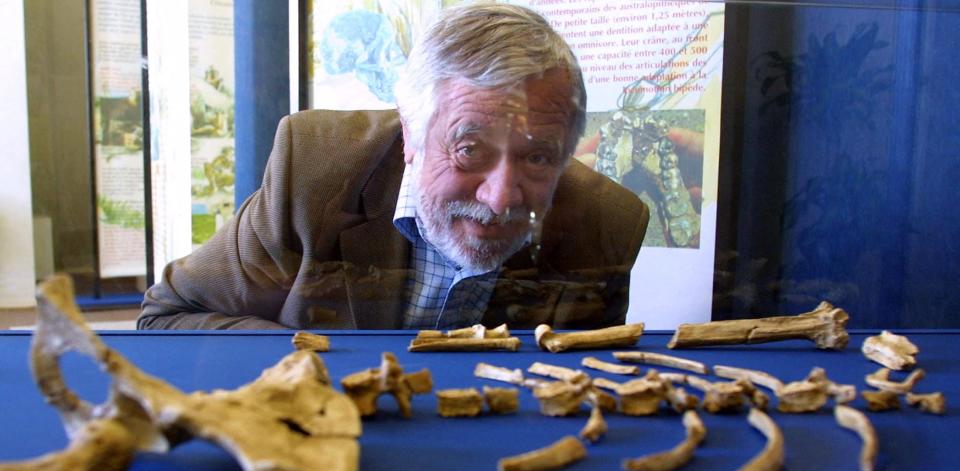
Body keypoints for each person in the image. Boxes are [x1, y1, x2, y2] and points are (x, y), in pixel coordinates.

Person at [138, 3, 650, 331]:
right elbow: (169, 314)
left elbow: (583, 379)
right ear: (411, 133)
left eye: (538, 156)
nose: (501, 198)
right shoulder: (313, 167)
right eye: (470, 149)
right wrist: (307, 364)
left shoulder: (609, 222)